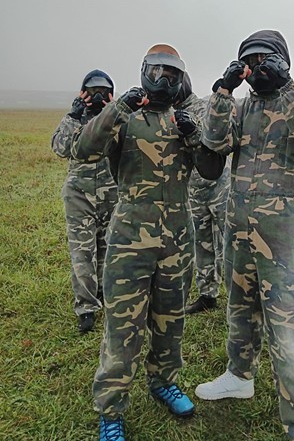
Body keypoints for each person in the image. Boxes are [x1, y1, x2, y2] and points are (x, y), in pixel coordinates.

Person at [71, 45, 225, 441]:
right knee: (123, 326)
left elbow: (210, 171)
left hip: (177, 239)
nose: (163, 80)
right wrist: (116, 109)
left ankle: (163, 381)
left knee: (170, 320)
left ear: (180, 80)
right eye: (157, 72)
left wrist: (195, 136)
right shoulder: (125, 118)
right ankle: (111, 409)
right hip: (129, 240)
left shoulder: (184, 121)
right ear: (143, 72)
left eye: (172, 75)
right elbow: (82, 149)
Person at [194, 30, 294, 441]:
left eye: (264, 60)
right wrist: (223, 92)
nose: (256, 68)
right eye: (249, 61)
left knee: (289, 329)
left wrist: (287, 85)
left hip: (282, 234)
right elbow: (213, 142)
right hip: (239, 228)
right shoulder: (242, 108)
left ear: (282, 62)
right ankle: (239, 376)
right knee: (240, 309)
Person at [51, 69, 117, 333]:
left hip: (111, 195)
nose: (97, 96)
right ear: (83, 93)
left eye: (103, 91)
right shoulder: (76, 120)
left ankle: (102, 292)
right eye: (92, 91)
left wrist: (115, 112)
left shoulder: (115, 120)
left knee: (107, 247)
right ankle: (86, 308)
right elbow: (60, 148)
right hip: (79, 195)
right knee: (82, 252)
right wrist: (73, 115)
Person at [174, 72, 231, 314]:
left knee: (231, 243)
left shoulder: (204, 107)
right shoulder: (169, 114)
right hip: (193, 190)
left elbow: (216, 138)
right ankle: (207, 294)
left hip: (220, 186)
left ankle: (240, 296)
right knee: (202, 244)